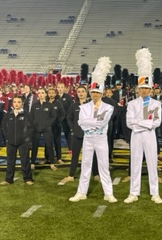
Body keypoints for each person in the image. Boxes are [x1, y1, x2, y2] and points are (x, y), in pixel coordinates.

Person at [69, 57, 117, 203]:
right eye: (93, 92)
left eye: (97, 92)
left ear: (102, 93)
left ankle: (108, 193)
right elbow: (81, 123)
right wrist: (92, 122)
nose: (95, 94)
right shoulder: (83, 107)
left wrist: (90, 122)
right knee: (85, 166)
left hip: (101, 139)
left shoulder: (108, 107)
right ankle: (81, 192)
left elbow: (102, 123)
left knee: (104, 167)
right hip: (88, 139)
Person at [123, 77, 162, 204]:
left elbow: (157, 122)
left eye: (146, 88)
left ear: (150, 89)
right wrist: (147, 123)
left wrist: (139, 122)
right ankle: (134, 192)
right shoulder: (132, 104)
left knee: (152, 163)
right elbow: (129, 123)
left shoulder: (156, 104)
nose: (144, 90)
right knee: (135, 164)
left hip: (150, 136)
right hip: (136, 136)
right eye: (142, 88)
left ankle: (155, 193)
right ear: (138, 89)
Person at [58, 85, 89, 185]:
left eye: (82, 91)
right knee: (74, 156)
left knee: (90, 156)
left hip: (88, 135)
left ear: (86, 92)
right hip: (77, 135)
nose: (80, 93)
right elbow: (69, 118)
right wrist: (74, 128)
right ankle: (71, 175)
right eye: (79, 91)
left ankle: (95, 174)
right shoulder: (74, 106)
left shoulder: (90, 105)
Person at [0, 95, 34, 185]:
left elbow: (31, 128)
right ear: (12, 103)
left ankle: (27, 178)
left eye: (19, 102)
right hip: (11, 142)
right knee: (10, 161)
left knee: (25, 160)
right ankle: (8, 179)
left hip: (23, 142)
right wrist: (8, 137)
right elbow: (3, 127)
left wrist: (26, 138)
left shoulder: (27, 114)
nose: (16, 104)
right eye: (15, 102)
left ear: (22, 103)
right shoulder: (8, 114)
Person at [30, 88, 56, 170]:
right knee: (34, 146)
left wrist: (47, 123)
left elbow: (53, 116)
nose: (40, 94)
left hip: (47, 128)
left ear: (45, 94)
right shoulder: (34, 105)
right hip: (36, 128)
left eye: (42, 93)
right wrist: (34, 124)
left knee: (49, 145)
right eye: (39, 93)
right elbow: (31, 117)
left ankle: (52, 163)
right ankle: (32, 163)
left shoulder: (49, 105)